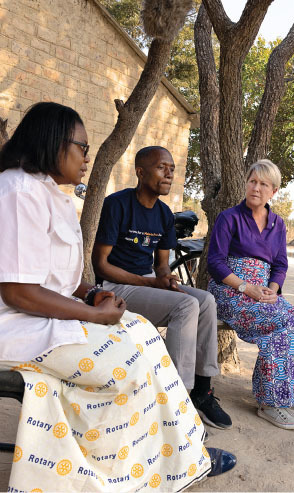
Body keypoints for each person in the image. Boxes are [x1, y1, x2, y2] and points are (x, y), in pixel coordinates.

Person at [0, 102, 235, 492]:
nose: (87, 157)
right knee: (128, 364)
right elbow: (18, 290)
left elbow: (56, 277)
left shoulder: (46, 192)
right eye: (83, 147)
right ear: (54, 143)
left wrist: (91, 294)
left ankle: (181, 447)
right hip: (17, 323)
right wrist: (92, 316)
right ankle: (130, 469)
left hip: (47, 312)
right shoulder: (19, 192)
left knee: (143, 333)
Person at [92, 146, 231, 430]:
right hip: (116, 286)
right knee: (186, 305)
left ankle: (202, 392)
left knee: (205, 301)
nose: (168, 173)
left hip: (146, 282)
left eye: (171, 168)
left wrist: (166, 279)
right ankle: (175, 399)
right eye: (161, 167)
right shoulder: (117, 204)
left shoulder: (164, 213)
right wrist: (152, 282)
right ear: (140, 172)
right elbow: (101, 265)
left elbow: (162, 265)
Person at [207, 159, 294, 430]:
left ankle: (283, 397)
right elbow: (215, 262)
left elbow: (280, 264)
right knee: (280, 323)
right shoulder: (229, 217)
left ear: (274, 191)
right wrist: (246, 287)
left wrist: (273, 290)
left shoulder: (278, 224)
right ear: (246, 183)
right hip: (230, 290)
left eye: (263, 184)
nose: (256, 188)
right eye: (252, 181)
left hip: (264, 293)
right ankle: (270, 403)